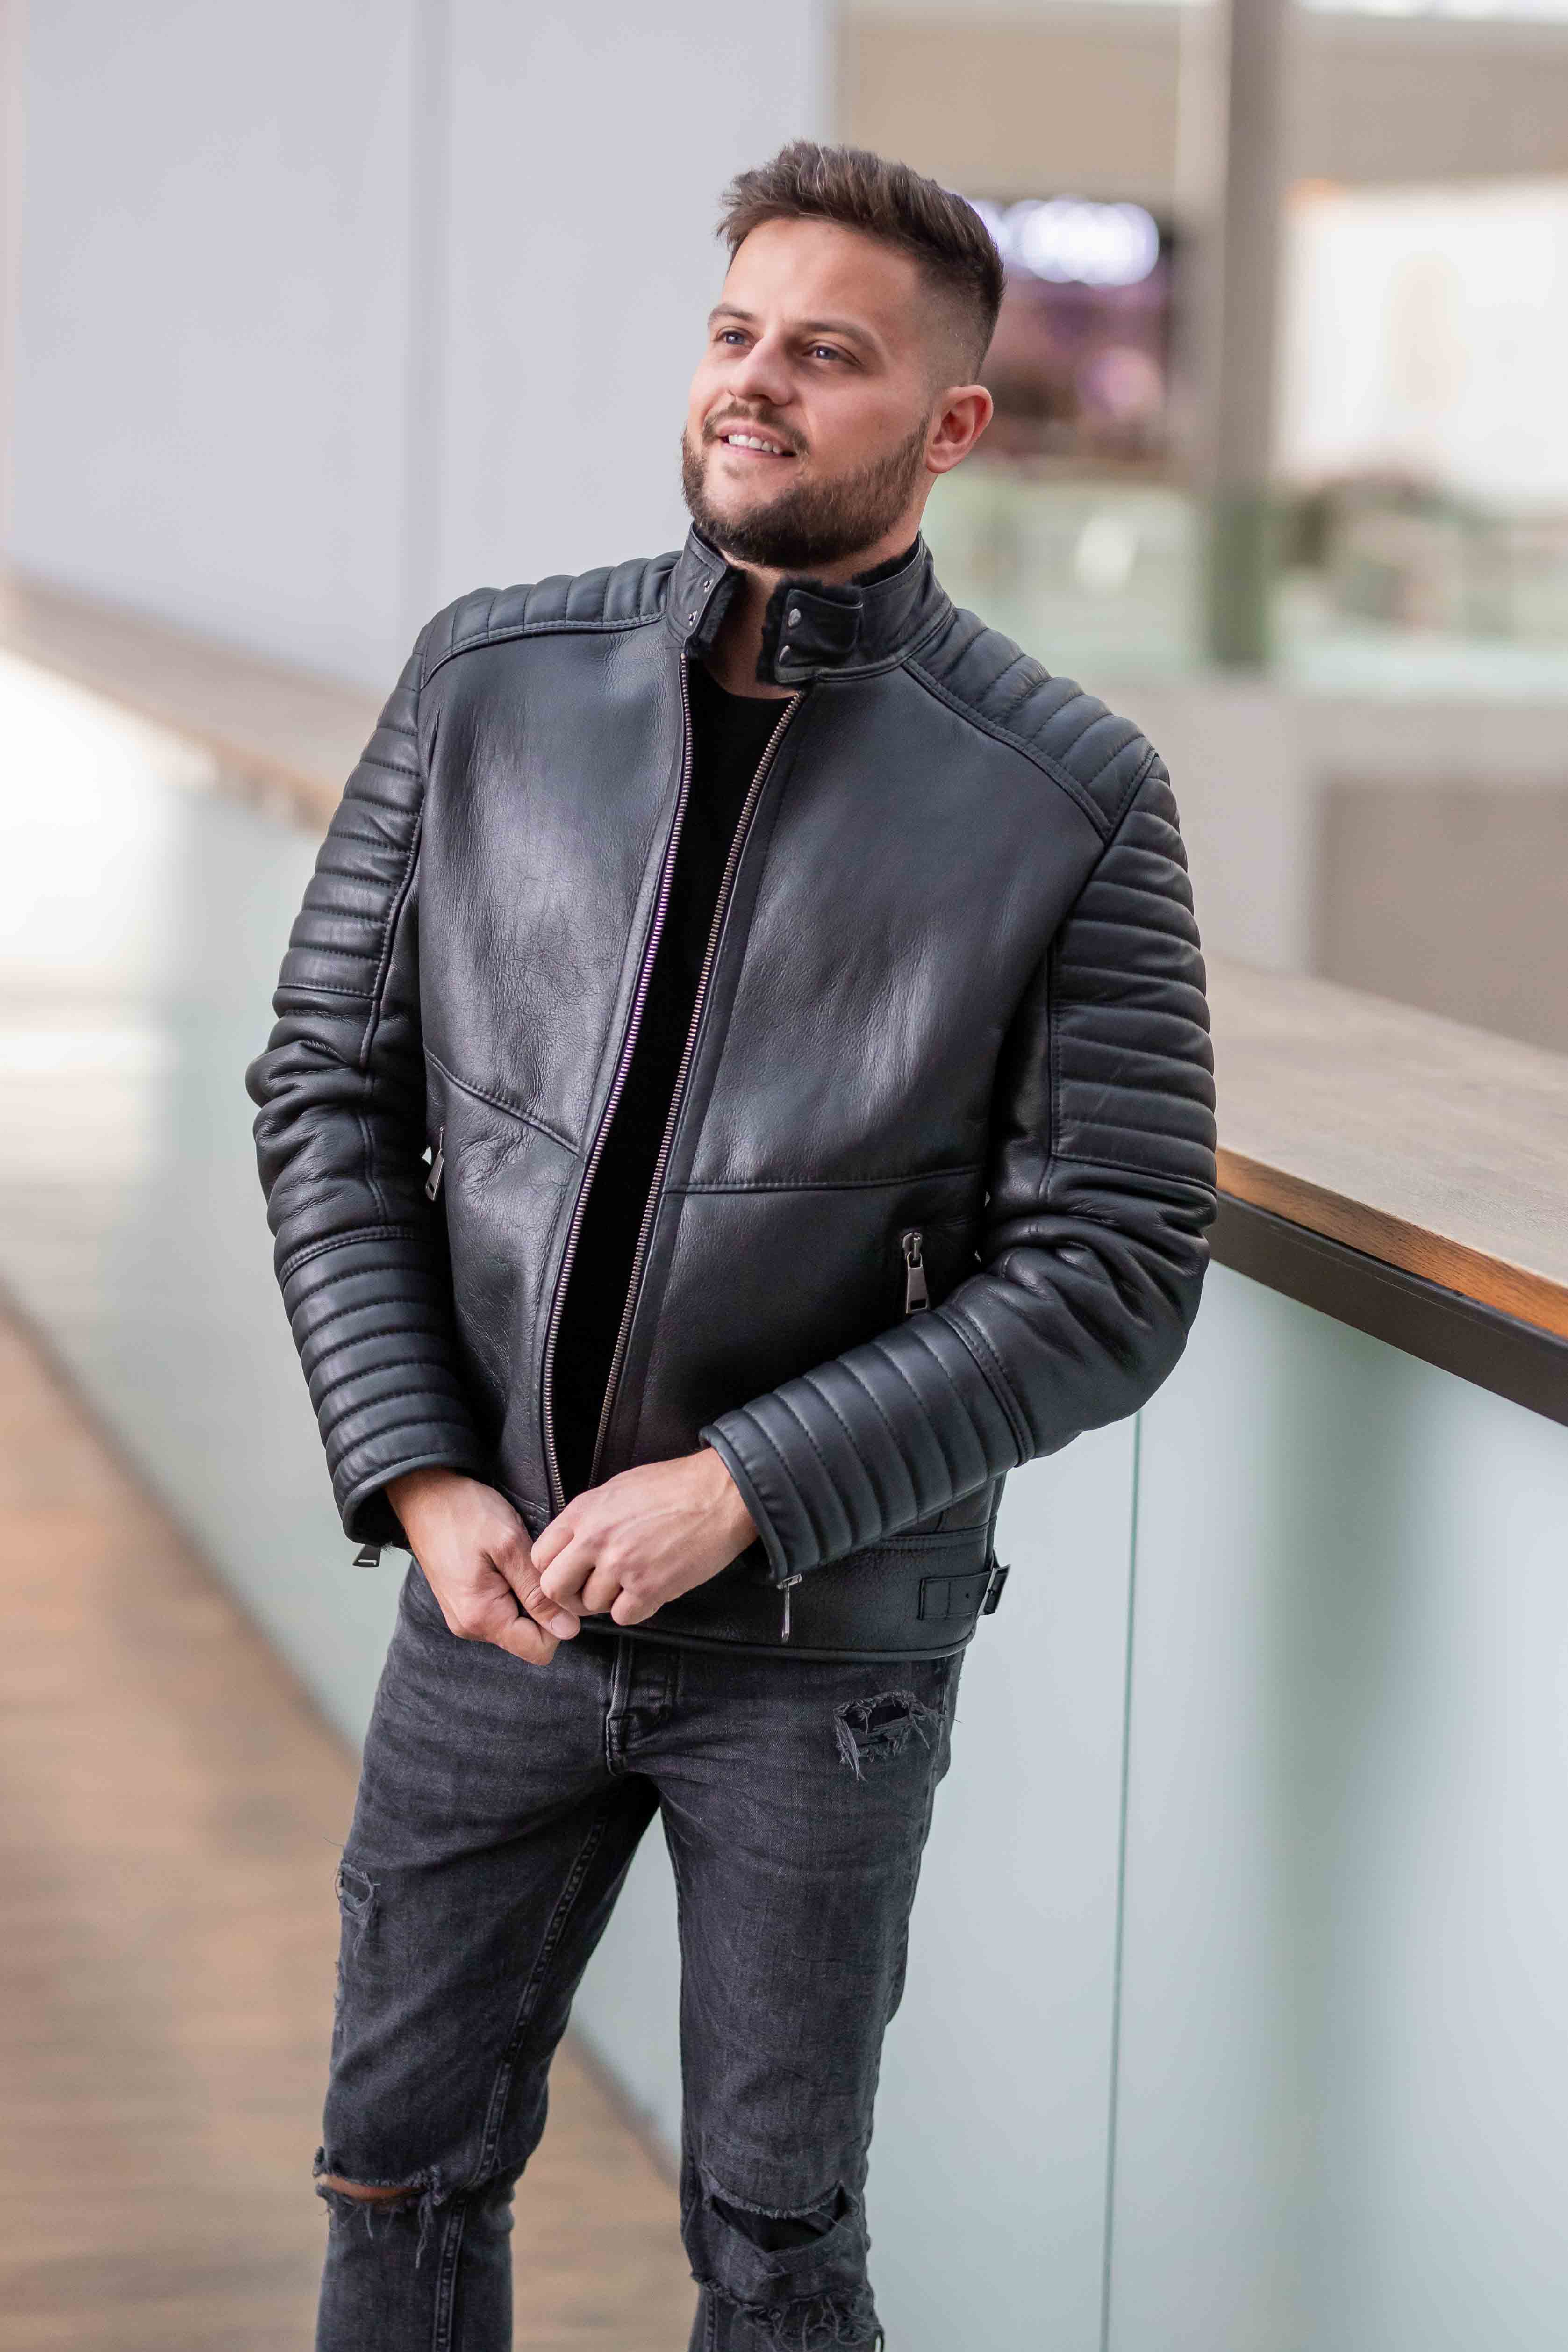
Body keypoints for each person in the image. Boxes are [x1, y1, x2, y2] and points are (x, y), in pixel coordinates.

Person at [245, 139, 1217, 2352]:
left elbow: (1114, 1262)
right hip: (488, 1600)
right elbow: (327, 1091)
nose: (753, 384)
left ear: (948, 424)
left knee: (777, 2250)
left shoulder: (1067, 794)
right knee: (395, 2167)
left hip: (817, 1651)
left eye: (826, 355)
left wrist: (741, 1489)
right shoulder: (488, 680)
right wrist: (423, 1473)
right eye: (733, 334)